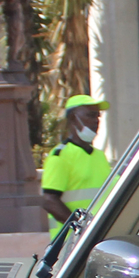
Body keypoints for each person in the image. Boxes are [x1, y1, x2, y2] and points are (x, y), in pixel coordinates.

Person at [39, 93, 109, 225]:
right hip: (71, 242)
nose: (96, 120)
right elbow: (49, 200)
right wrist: (80, 227)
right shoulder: (60, 156)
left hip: (98, 236)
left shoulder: (100, 156)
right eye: (90, 115)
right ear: (73, 118)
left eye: (98, 116)